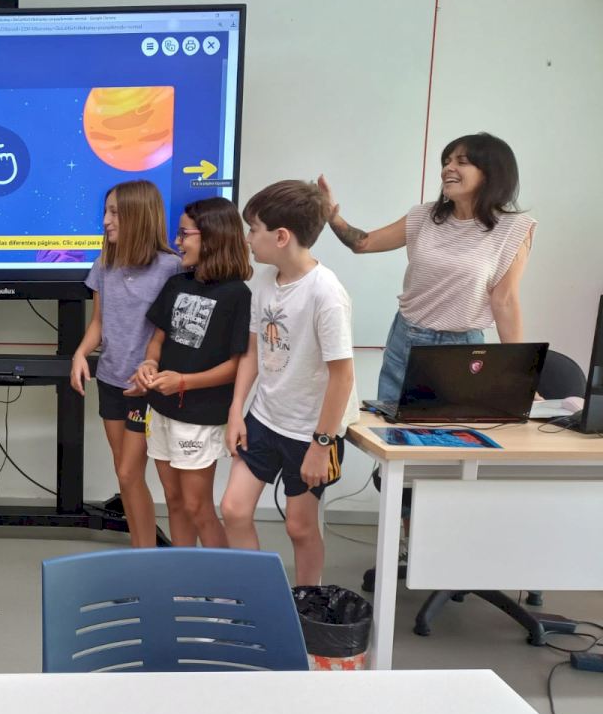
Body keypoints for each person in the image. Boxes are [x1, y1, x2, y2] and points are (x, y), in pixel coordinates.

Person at [320, 133, 535, 587]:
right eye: (446, 160)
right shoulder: (423, 218)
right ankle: (412, 546)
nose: (449, 168)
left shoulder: (513, 229)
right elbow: (363, 243)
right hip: (407, 342)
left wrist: (517, 372)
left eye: (462, 161)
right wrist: (332, 217)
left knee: (452, 460)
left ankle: (444, 552)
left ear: (492, 172)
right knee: (395, 456)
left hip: (462, 352)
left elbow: (504, 300)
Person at [221, 180, 358, 586]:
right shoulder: (265, 281)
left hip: (311, 431)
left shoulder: (326, 294)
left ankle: (307, 602)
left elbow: (343, 376)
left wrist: (320, 445)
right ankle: (257, 598)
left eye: (253, 230)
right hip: (265, 418)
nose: (248, 239)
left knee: (299, 527)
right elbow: (253, 351)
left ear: (281, 236)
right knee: (233, 509)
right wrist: (236, 410)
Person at [130, 198, 252, 549]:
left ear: (211, 237)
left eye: (184, 234)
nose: (177, 242)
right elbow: (157, 340)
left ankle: (221, 578)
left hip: (200, 418)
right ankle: (182, 574)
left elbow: (237, 366)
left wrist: (184, 382)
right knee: (174, 501)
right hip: (161, 410)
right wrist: (149, 364)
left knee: (198, 507)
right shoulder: (177, 284)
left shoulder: (238, 295)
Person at [69, 180, 180, 548]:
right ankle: (141, 553)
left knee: (134, 473)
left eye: (114, 212)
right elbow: (98, 324)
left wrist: (155, 369)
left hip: (147, 389)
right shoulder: (104, 264)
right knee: (125, 474)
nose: (105, 221)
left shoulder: (171, 268)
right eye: (106, 212)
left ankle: (156, 558)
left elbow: (176, 332)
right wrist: (80, 354)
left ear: (138, 214)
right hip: (111, 380)